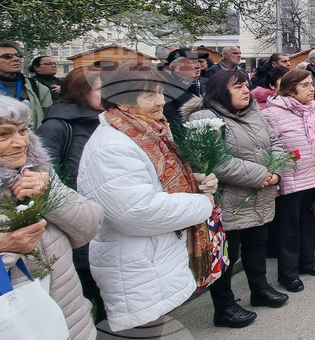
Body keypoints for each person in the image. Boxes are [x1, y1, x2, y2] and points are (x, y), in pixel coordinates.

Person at [77, 62, 217, 333]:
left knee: (152, 328)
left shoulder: (147, 131)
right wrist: (201, 203)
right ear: (123, 101)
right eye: (149, 94)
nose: (160, 101)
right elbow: (137, 211)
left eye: (160, 92)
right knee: (140, 331)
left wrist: (194, 183)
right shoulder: (113, 147)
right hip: (134, 264)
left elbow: (156, 182)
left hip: (151, 256)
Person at [183, 70, 290, 326]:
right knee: (226, 256)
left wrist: (277, 171)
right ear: (221, 91)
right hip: (228, 201)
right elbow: (212, 161)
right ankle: (224, 307)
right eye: (238, 87)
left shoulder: (255, 114)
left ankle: (260, 290)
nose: (245, 91)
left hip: (259, 196)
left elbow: (275, 143)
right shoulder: (204, 118)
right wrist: (260, 175)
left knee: (256, 246)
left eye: (246, 86)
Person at [0, 97, 104, 340]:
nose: (20, 142)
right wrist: (5, 246)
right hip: (17, 328)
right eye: (3, 134)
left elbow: (91, 225)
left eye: (23, 130)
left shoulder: (36, 171)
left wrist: (50, 195)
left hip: (71, 320)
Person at [35, 67, 106, 321]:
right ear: (80, 91)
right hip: (76, 224)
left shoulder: (107, 122)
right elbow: (44, 181)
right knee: (87, 300)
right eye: (102, 89)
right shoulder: (57, 127)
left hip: (108, 221)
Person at [262, 69, 315, 293]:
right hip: (291, 178)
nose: (312, 89)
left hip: (314, 174)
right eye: (305, 85)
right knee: (289, 229)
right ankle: (288, 273)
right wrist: (276, 179)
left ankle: (308, 262)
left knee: (311, 223)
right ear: (291, 90)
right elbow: (269, 148)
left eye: (311, 84)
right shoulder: (272, 113)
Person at [0, 42, 52, 128]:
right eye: (7, 56)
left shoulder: (37, 87)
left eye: (18, 55)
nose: (16, 59)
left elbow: (48, 116)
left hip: (29, 134)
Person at [161, 48, 207, 132]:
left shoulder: (209, 83)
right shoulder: (165, 90)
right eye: (192, 62)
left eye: (199, 62)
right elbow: (173, 123)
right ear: (176, 68)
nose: (198, 66)